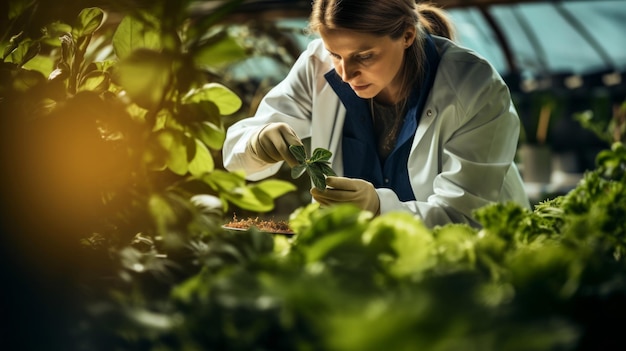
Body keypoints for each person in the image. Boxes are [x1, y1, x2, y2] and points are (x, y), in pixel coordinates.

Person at [222, 0, 531, 228]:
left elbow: (468, 218)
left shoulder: (473, 85)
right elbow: (238, 162)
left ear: (407, 36)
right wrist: (255, 143)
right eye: (335, 54)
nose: (345, 73)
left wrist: (377, 206)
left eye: (365, 56)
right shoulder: (317, 68)